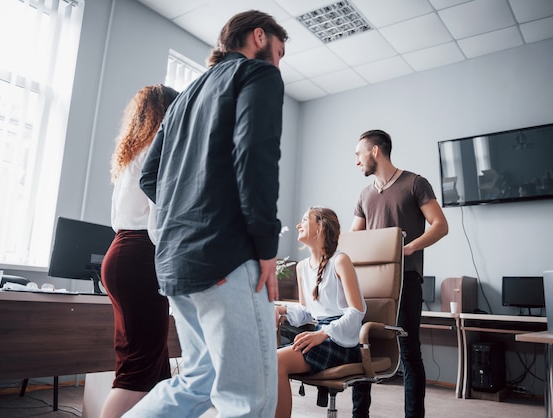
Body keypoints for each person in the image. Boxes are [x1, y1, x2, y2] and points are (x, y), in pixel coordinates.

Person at [124, 10, 289, 418]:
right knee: (249, 399)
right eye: (279, 51)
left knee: (197, 382)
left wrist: (190, 206)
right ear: (258, 36)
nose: (279, 63)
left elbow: (150, 177)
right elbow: (255, 159)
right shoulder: (257, 75)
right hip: (226, 258)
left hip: (176, 264)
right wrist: (267, 248)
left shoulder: (183, 100)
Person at [350, 129, 448, 418]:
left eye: (359, 154)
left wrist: (407, 248)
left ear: (375, 151)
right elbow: (355, 238)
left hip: (407, 280)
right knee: (363, 346)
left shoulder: (415, 183)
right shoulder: (364, 195)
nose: (356, 161)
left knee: (409, 352)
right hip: (370, 286)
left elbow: (440, 225)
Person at [100, 84, 179, 418]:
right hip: (139, 257)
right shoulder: (155, 152)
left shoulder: (134, 151)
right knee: (137, 370)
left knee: (155, 367)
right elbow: (159, 219)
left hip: (122, 253)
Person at [274, 207, 366, 418]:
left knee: (276, 360)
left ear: (320, 227)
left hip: (342, 342)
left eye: (305, 220)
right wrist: (282, 309)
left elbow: (357, 312)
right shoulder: (302, 267)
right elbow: (308, 311)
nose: (299, 224)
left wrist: (323, 333)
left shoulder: (340, 261)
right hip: (318, 336)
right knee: (268, 359)